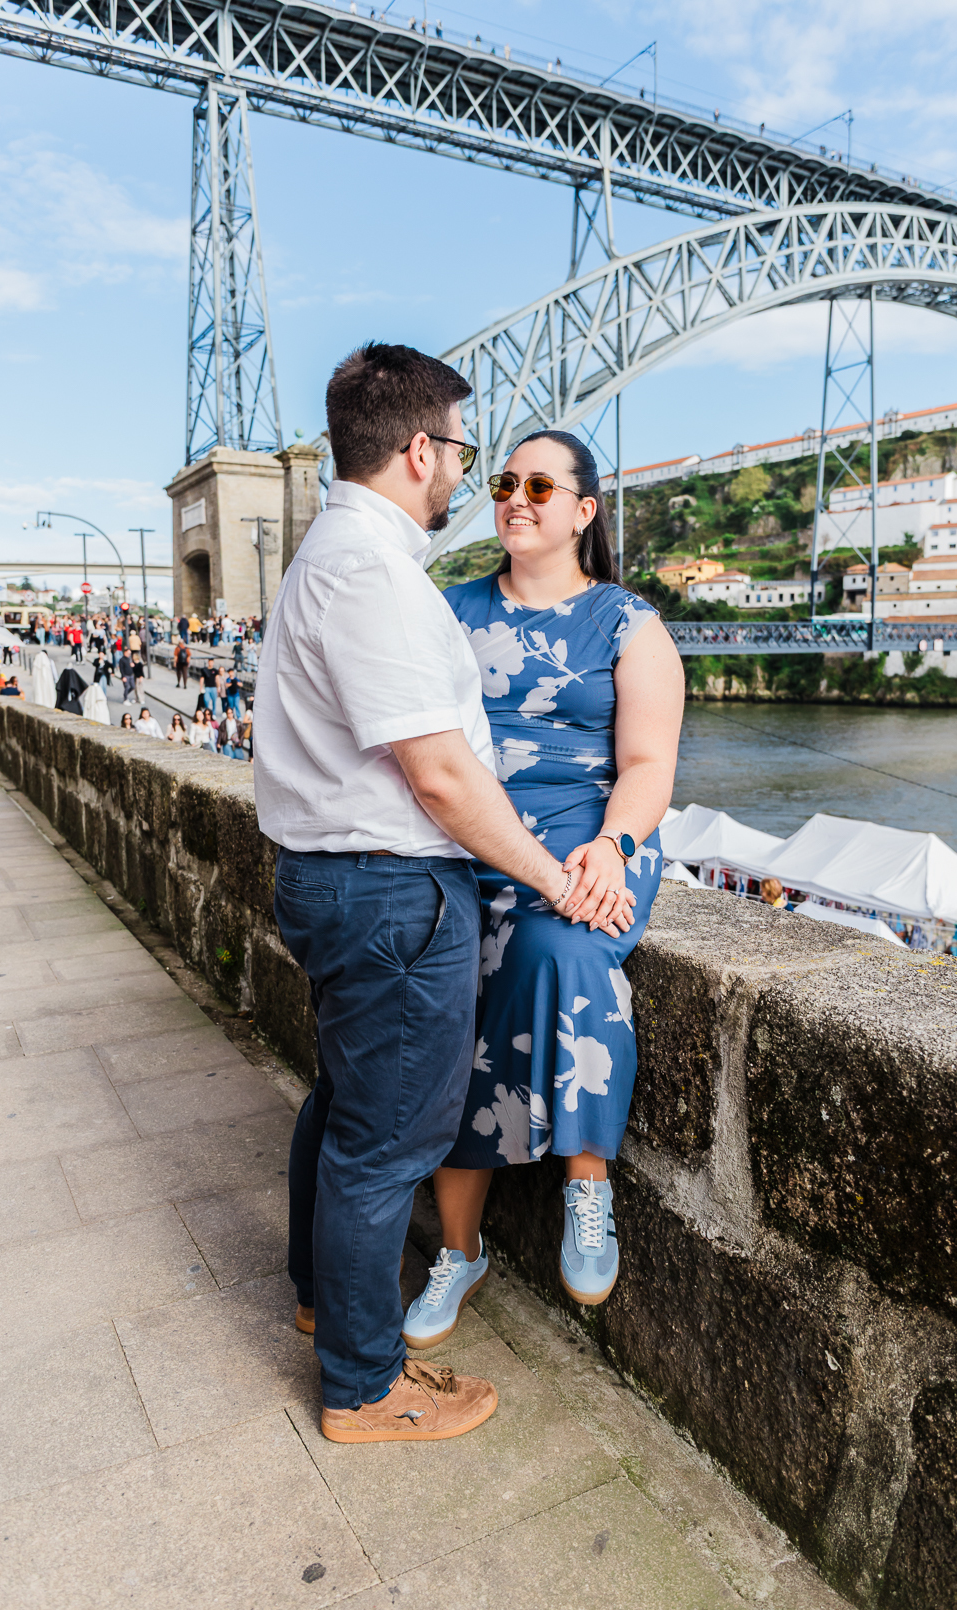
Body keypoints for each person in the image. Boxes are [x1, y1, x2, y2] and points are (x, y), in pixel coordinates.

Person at [253, 341, 596, 1446]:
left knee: (344, 1108)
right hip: (390, 891)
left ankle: (321, 1296)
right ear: (417, 448)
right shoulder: (372, 570)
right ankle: (364, 1386)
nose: (466, 474)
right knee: (385, 1143)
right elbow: (443, 775)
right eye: (462, 450)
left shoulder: (340, 554)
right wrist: (551, 875)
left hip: (345, 883)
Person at [401, 430, 683, 1349]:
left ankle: (586, 1185)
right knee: (452, 996)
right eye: (504, 482)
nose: (516, 497)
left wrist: (612, 845)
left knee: (561, 945)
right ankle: (460, 1250)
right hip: (471, 840)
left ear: (583, 510)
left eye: (539, 484)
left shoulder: (628, 623)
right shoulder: (448, 612)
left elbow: (646, 762)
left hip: (592, 842)